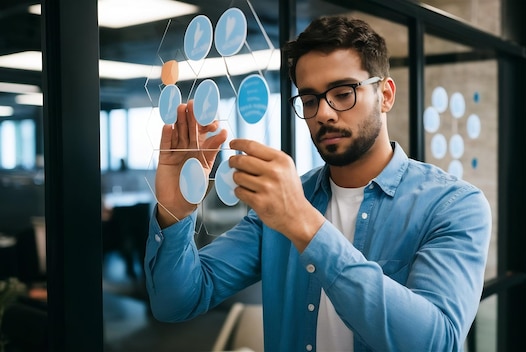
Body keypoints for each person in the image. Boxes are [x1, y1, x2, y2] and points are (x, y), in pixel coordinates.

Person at [145, 15, 492, 351]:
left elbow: (435, 343)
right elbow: (177, 302)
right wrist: (174, 213)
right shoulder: (284, 204)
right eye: (310, 100)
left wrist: (306, 225)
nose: (324, 113)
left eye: (343, 93)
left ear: (385, 95)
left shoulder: (454, 205)